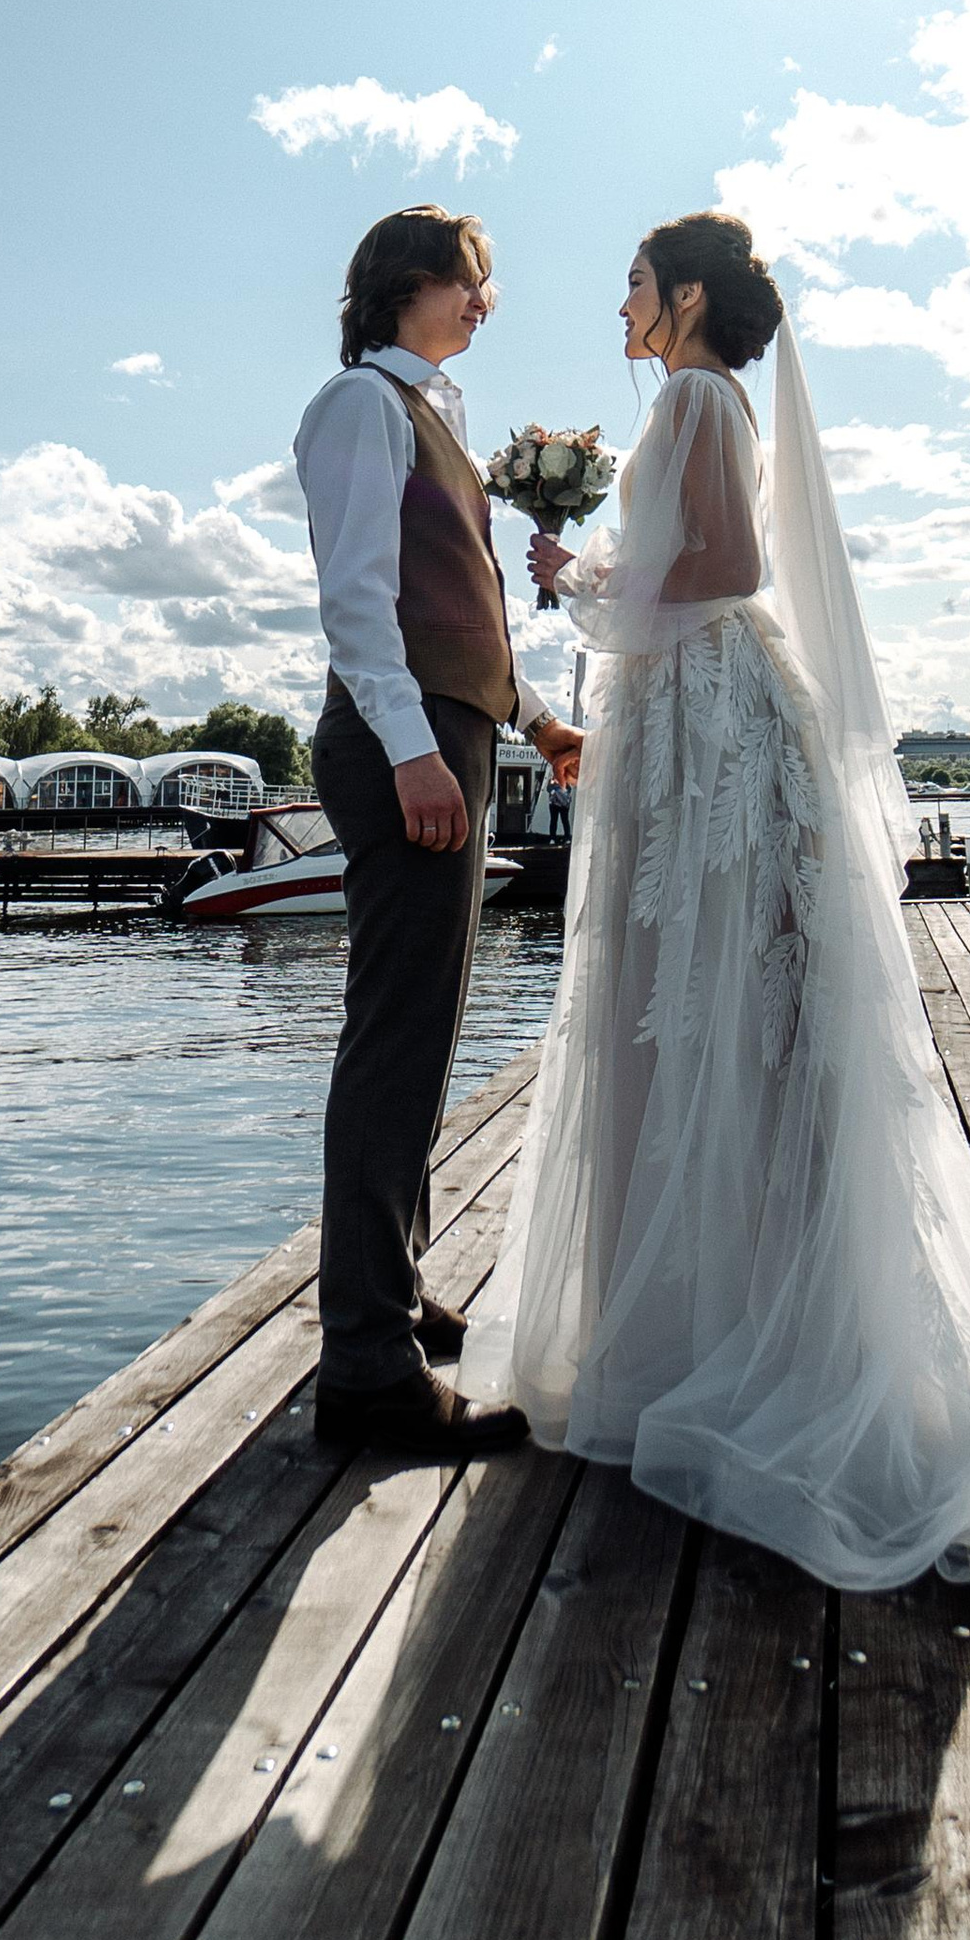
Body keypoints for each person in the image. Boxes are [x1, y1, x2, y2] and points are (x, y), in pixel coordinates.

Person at [461, 211, 970, 1589]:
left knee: (684, 1013)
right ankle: (728, 1320)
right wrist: (602, 591)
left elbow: (723, 572)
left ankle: (696, 1336)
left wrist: (588, 584)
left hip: (708, 717)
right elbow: (718, 569)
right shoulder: (716, 400)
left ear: (680, 301)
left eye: (630, 286)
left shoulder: (687, 396)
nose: (618, 306)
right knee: (726, 1016)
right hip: (715, 713)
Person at [295, 204, 584, 1457]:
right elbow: (356, 603)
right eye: (475, 280)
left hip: (452, 731)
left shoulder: (439, 416)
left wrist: (533, 720)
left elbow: (456, 613)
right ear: (412, 283)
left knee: (426, 1028)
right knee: (397, 1036)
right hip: (400, 742)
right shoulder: (360, 404)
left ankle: (396, 1296)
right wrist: (417, 753)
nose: (487, 301)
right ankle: (364, 1371)